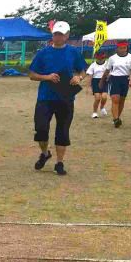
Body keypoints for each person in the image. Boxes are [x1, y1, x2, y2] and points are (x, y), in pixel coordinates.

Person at [28, 21, 87, 176]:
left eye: (61, 34)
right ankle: (45, 153)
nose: (57, 37)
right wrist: (46, 77)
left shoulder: (73, 52)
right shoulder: (43, 53)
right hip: (45, 97)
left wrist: (78, 78)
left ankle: (59, 162)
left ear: (67, 36)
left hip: (65, 97)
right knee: (41, 129)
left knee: (62, 130)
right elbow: (32, 74)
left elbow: (82, 70)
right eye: (55, 34)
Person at [102, 41, 131, 128]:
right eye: (120, 48)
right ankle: (115, 119)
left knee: (121, 100)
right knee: (115, 99)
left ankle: (118, 116)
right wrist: (102, 80)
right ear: (117, 49)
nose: (122, 50)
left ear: (127, 48)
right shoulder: (112, 58)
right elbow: (107, 70)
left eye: (124, 48)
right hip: (114, 78)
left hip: (125, 79)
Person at [86, 50, 108, 119]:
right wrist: (88, 87)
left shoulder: (107, 64)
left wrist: (109, 77)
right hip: (95, 81)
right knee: (97, 98)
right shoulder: (93, 65)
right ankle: (94, 112)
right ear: (96, 58)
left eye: (102, 58)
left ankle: (102, 107)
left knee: (104, 97)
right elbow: (90, 76)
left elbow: (110, 72)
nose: (100, 60)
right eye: (98, 58)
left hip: (104, 81)